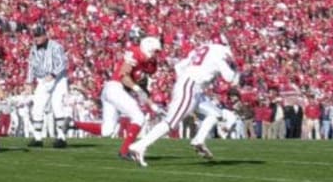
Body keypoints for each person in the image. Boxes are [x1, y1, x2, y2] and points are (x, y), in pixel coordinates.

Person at [128, 38, 238, 166]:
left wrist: (184, 82)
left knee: (215, 114)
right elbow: (229, 78)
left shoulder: (202, 49)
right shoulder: (220, 54)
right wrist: (235, 69)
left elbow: (178, 66)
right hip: (190, 87)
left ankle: (199, 140)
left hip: (191, 88)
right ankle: (139, 146)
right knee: (171, 122)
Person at [74, 35, 162, 161]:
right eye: (155, 51)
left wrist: (153, 105)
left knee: (107, 131)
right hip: (115, 87)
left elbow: (143, 91)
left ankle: (73, 123)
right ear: (148, 48)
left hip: (112, 91)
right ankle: (125, 151)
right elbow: (123, 76)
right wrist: (137, 89)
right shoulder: (135, 53)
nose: (156, 55)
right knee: (139, 117)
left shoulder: (146, 65)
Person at [24, 24, 70, 148]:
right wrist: (29, 82)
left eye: (39, 36)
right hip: (42, 79)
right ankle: (38, 138)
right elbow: (31, 66)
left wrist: (53, 75)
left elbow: (62, 63)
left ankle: (61, 137)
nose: (36, 38)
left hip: (58, 79)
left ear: (45, 35)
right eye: (35, 36)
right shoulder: (33, 48)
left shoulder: (56, 46)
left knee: (57, 106)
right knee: (37, 107)